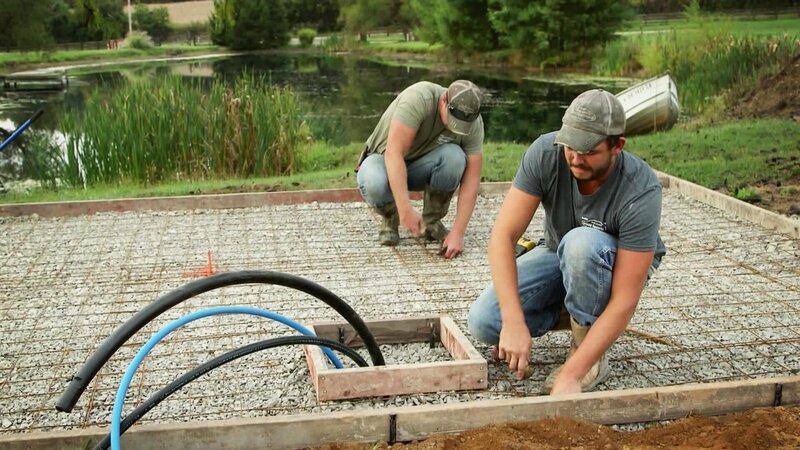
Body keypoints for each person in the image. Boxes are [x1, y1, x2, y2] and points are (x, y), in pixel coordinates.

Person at [467, 89, 666, 395]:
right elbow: (502, 237)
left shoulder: (640, 189)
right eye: (570, 146)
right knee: (485, 321)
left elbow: (626, 298)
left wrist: (572, 374)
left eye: (588, 150)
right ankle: (578, 313)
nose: (575, 157)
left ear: (617, 145)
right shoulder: (546, 153)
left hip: (611, 261)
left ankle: (589, 352)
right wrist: (514, 322)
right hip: (559, 249)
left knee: (581, 244)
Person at [356, 80, 484, 259]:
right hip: (384, 161)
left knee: (454, 157)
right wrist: (405, 209)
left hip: (421, 167)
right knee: (373, 180)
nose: (456, 128)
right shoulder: (418, 99)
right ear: (443, 102)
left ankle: (431, 222)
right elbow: (394, 154)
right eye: (453, 120)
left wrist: (458, 232)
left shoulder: (474, 122)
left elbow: (472, 178)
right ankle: (391, 218)